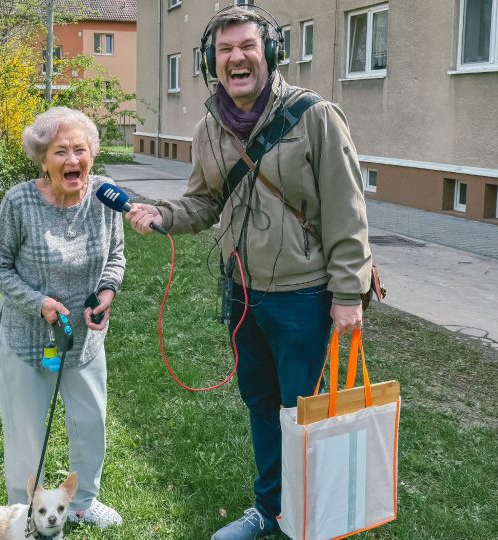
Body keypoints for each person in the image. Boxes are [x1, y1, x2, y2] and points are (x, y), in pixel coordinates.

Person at [126, 7, 372, 540]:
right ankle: (269, 507)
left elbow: (347, 211)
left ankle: (313, 514)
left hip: (304, 296)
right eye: (223, 50)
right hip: (242, 295)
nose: (235, 57)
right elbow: (202, 203)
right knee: (261, 403)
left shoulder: (315, 116)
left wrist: (348, 293)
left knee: (305, 410)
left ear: (269, 53)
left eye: (246, 47)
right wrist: (162, 215)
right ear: (210, 62)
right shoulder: (208, 128)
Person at [0, 106, 125, 528]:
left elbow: (115, 255)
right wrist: (38, 302)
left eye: (80, 150)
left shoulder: (104, 196)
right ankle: (23, 514)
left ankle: (81, 502)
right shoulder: (20, 201)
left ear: (92, 155)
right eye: (60, 151)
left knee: (90, 423)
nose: (72, 160)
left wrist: (107, 290)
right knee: (26, 436)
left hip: (84, 340)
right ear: (43, 160)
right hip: (28, 340)